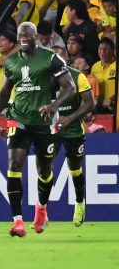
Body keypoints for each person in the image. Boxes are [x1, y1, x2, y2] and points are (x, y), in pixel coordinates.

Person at [0, 22, 76, 237]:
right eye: (21, 36)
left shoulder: (51, 58)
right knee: (14, 164)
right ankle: (17, 221)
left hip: (44, 124)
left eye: (27, 36)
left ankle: (41, 208)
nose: (24, 39)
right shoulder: (12, 61)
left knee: (44, 172)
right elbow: (4, 91)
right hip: (18, 120)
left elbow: (70, 88)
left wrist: (54, 106)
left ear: (35, 37)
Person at [54, 63, 95, 227]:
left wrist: (69, 118)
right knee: (44, 167)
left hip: (73, 130)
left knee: (75, 169)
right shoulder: (42, 76)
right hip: (51, 129)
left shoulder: (78, 76)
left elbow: (89, 104)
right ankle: (41, 211)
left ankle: (79, 202)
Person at [90, 38, 116, 113]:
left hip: (114, 107)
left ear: (113, 50)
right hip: (99, 107)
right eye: (100, 48)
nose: (102, 52)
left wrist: (111, 99)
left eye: (106, 49)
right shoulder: (95, 66)